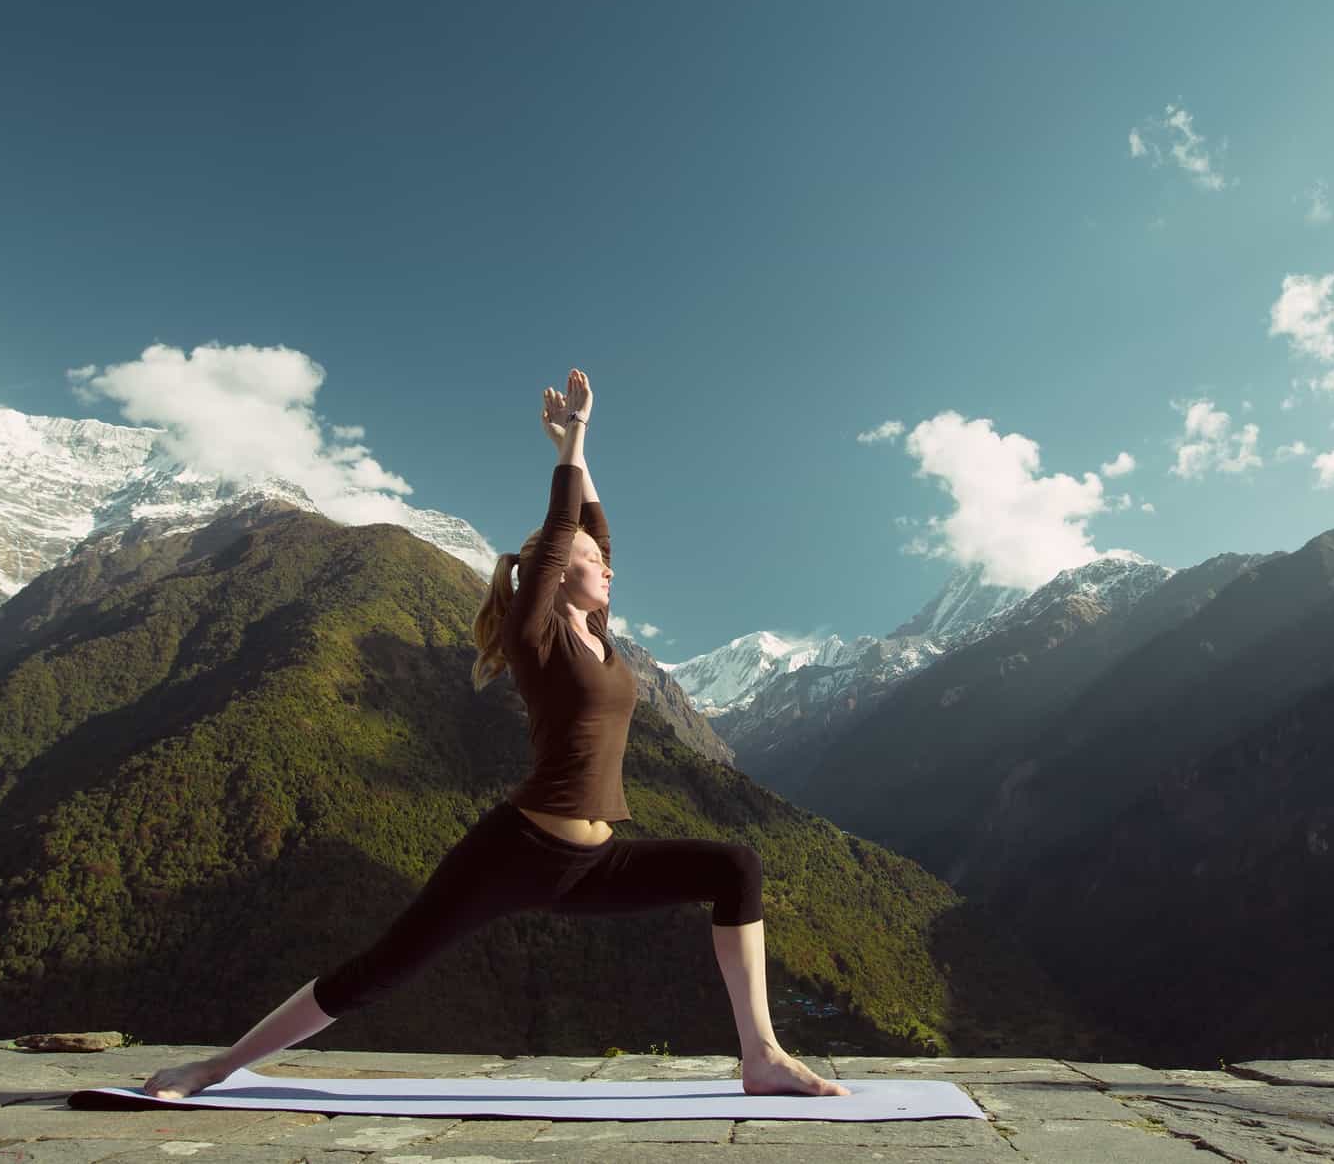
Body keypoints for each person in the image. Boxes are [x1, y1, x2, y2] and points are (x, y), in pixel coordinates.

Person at [142, 369, 847, 1099]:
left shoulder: (594, 630)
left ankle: (760, 1056)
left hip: (596, 860)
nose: (606, 565)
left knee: (736, 867)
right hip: (517, 850)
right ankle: (216, 1066)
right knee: (382, 968)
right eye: (589, 562)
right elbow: (563, 529)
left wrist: (579, 446)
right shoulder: (534, 632)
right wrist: (570, 443)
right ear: (554, 573)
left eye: (603, 562)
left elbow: (592, 526)